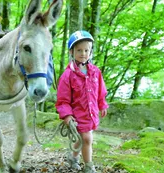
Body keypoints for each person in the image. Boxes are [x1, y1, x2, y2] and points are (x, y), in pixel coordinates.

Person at [55, 30, 109, 173]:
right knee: (87, 138)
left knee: (81, 138)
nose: (83, 53)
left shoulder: (95, 72)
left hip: (91, 113)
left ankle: (73, 158)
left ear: (90, 52)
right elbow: (63, 99)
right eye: (79, 50)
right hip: (78, 115)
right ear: (71, 52)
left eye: (86, 50)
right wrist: (66, 115)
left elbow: (100, 91)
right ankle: (89, 166)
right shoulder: (68, 75)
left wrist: (102, 104)